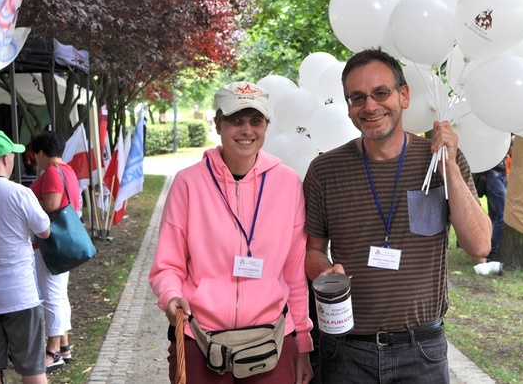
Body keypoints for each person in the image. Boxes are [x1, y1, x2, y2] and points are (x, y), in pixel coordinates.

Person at [303, 49, 491, 384]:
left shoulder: (440, 162)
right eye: (357, 98)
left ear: (403, 95)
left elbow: (479, 245)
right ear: (348, 107)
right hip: (347, 350)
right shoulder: (324, 171)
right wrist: (326, 271)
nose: (370, 106)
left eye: (381, 93)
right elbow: (312, 250)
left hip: (421, 351)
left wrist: (448, 163)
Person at [149, 81, 313, 384]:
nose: (246, 130)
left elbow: (294, 272)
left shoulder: (288, 184)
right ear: (218, 124)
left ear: (266, 126)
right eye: (235, 120)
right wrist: (170, 296)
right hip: (200, 338)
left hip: (272, 340)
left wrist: (302, 340)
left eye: (255, 120)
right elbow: (167, 265)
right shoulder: (188, 184)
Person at [0, 130, 51, 384]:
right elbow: (44, 230)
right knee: (32, 369)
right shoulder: (20, 193)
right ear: (6, 158)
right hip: (19, 294)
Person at [29, 130, 80, 373]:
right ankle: (65, 345)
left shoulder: (50, 172)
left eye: (34, 155)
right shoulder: (67, 170)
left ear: (41, 153)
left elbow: (50, 204)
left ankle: (53, 352)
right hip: (64, 244)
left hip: (50, 244)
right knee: (59, 295)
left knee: (51, 297)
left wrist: (26, 204)